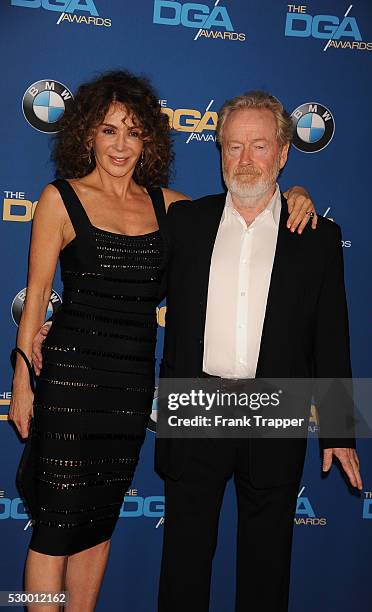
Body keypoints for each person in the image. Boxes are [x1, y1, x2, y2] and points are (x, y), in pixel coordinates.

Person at [12, 71, 316, 612]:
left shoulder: (171, 208)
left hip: (129, 389)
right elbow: (36, 297)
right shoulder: (59, 199)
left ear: (148, 139)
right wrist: (20, 379)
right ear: (87, 136)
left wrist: (293, 192)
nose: (121, 145)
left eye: (133, 132)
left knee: (97, 521)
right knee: (54, 525)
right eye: (109, 131)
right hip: (70, 383)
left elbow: (242, 207)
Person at [154, 91, 362, 612]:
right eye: (233, 146)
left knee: (268, 569)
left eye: (260, 146)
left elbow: (331, 337)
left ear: (285, 153)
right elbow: (130, 285)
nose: (244, 160)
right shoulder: (187, 223)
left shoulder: (315, 236)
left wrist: (338, 429)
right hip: (197, 409)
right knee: (183, 566)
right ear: (219, 150)